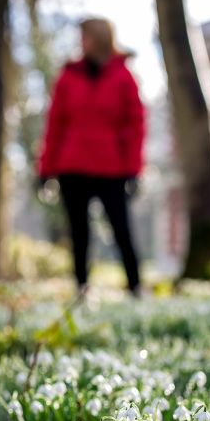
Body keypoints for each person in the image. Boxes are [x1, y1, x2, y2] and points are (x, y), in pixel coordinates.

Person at [39, 17, 145, 297]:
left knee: (122, 229)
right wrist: (45, 169)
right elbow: (55, 125)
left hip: (112, 166)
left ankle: (135, 286)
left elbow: (136, 126)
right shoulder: (68, 76)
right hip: (72, 165)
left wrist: (134, 169)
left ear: (98, 38)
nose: (80, 42)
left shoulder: (123, 76)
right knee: (78, 233)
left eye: (84, 36)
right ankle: (81, 289)